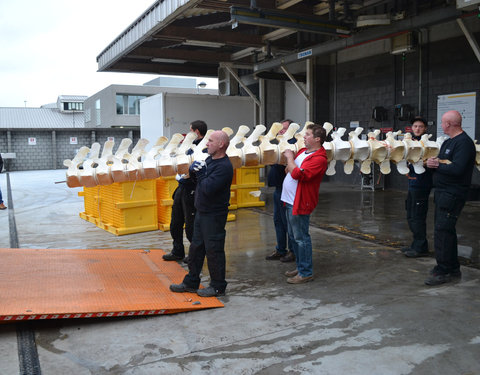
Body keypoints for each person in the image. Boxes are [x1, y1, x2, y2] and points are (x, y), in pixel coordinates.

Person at [170, 130, 233, 297]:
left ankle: (218, 286)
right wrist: (190, 175)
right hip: (202, 212)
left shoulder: (224, 167)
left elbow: (207, 189)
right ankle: (191, 282)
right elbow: (199, 182)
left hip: (214, 215)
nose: (206, 143)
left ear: (221, 144)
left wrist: (201, 173)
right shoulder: (210, 160)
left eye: (210, 141)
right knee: (196, 248)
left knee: (214, 250)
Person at [425, 110, 475, 286]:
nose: (441, 125)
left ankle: (445, 270)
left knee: (443, 230)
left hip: (453, 194)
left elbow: (457, 169)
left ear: (449, 124)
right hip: (442, 193)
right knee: (444, 230)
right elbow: (443, 164)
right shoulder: (448, 142)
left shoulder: (464, 144)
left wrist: (437, 165)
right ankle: (451, 267)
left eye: (443, 122)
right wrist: (432, 164)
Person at [281, 123, 327, 284]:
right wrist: (291, 165)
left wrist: (290, 159)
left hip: (300, 202)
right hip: (289, 200)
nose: (303, 137)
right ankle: (301, 267)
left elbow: (299, 174)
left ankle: (306, 272)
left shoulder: (319, 158)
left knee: (301, 238)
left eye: (307, 134)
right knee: (294, 237)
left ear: (317, 139)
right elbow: (289, 170)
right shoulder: (303, 152)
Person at [163, 120, 207, 262]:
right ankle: (177, 251)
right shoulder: (189, 146)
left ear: (196, 132)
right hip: (181, 187)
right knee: (175, 222)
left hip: (192, 189)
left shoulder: (205, 148)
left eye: (190, 130)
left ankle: (195, 254)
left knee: (191, 225)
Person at [265, 119, 296, 263]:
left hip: (288, 191)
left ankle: (292, 251)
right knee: (278, 221)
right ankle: (280, 249)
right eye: (280, 130)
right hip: (278, 189)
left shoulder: (293, 145)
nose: (281, 132)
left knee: (288, 222)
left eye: (284, 129)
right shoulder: (277, 143)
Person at [403, 116, 433, 258]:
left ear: (425, 128)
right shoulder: (409, 143)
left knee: (418, 216)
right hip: (412, 184)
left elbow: (431, 163)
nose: (417, 129)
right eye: (415, 126)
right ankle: (415, 244)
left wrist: (423, 163)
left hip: (421, 185)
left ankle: (421, 247)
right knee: (410, 214)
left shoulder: (429, 145)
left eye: (420, 126)